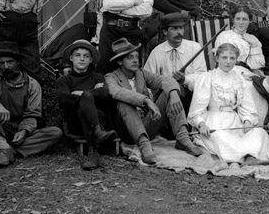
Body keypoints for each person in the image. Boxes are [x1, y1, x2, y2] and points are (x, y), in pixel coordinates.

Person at [104, 37, 203, 165]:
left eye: (136, 56)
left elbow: (166, 80)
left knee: (169, 92)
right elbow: (117, 92)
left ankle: (183, 138)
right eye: (130, 58)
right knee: (124, 102)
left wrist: (173, 93)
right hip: (127, 131)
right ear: (119, 61)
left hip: (148, 125)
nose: (135, 60)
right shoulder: (110, 77)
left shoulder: (141, 73)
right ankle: (144, 146)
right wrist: (146, 100)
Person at [0, 42, 62, 168]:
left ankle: (5, 151)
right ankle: (0, 144)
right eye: (1, 63)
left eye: (10, 61)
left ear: (18, 62)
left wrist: (24, 132)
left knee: (55, 133)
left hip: (19, 131)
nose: (6, 66)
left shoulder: (32, 85)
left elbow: (32, 114)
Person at [188, 43, 269, 165]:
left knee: (259, 133)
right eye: (224, 58)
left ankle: (250, 156)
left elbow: (247, 106)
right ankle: (246, 156)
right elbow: (198, 107)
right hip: (214, 123)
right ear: (216, 58)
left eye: (232, 58)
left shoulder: (239, 79)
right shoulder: (207, 77)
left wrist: (247, 121)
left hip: (235, 122)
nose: (228, 62)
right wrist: (201, 124)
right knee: (221, 137)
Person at [55, 40, 118, 170]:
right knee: (84, 103)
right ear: (71, 58)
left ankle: (94, 149)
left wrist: (80, 93)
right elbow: (64, 100)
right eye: (78, 55)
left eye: (86, 56)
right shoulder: (64, 80)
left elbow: (104, 93)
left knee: (86, 100)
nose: (82, 59)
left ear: (91, 60)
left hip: (101, 119)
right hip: (75, 123)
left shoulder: (97, 77)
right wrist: (90, 94)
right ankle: (95, 141)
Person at [214, 5, 269, 121]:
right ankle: (241, 123)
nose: (241, 22)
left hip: (246, 70)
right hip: (227, 70)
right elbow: (222, 60)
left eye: (244, 19)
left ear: (250, 21)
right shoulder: (225, 35)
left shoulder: (253, 39)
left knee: (259, 87)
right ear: (232, 20)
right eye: (238, 19)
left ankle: (257, 123)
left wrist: (253, 44)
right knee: (247, 87)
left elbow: (257, 64)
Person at [143, 12, 207, 111]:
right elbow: (148, 79)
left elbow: (203, 78)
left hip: (191, 97)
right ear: (165, 32)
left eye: (181, 28)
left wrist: (185, 79)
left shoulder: (195, 48)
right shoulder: (157, 52)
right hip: (166, 97)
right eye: (174, 29)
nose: (179, 32)